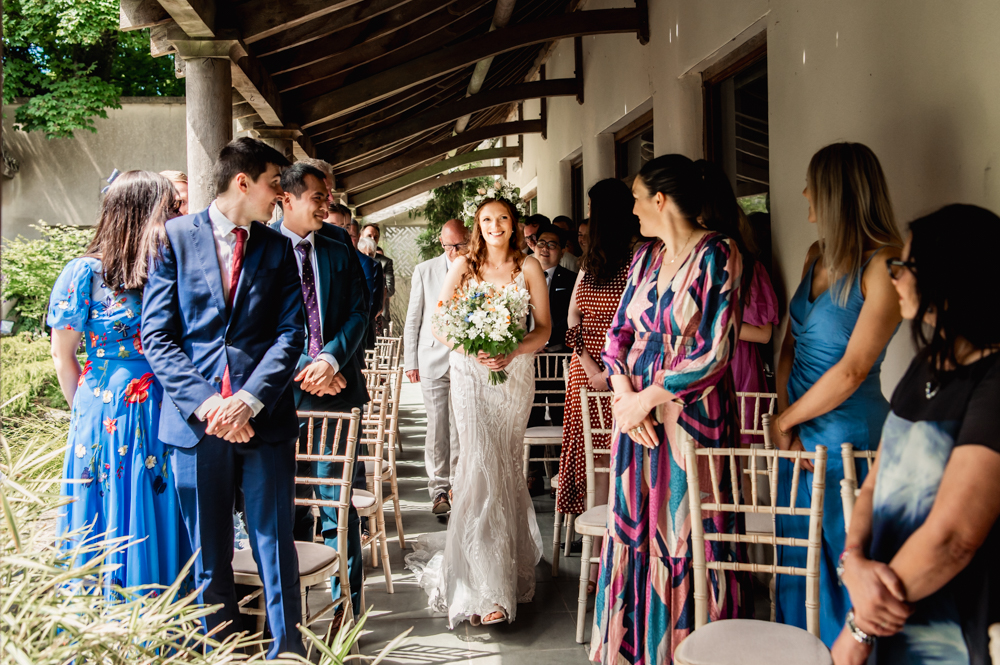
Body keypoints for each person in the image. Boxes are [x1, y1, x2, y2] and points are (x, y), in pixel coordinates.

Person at [141, 137, 306, 658]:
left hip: (264, 421)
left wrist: (249, 400)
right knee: (209, 555)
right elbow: (159, 336)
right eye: (275, 184)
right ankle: (223, 652)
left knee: (275, 549)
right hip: (197, 426)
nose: (280, 195)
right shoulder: (172, 237)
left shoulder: (278, 248)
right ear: (243, 182)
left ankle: (289, 654)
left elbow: (290, 334)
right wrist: (212, 404)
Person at [591, 155, 752, 664]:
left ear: (660, 200)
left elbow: (714, 351)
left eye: (638, 198)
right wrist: (623, 398)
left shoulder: (719, 254)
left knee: (684, 536)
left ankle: (687, 653)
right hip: (635, 425)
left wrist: (646, 399)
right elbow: (616, 336)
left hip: (689, 424)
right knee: (634, 530)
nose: (633, 209)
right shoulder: (645, 257)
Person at [830, 205, 1000, 665]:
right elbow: (875, 481)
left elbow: (954, 538)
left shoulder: (994, 382)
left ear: (951, 278)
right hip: (890, 610)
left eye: (905, 267)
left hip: (952, 627)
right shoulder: (926, 367)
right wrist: (855, 562)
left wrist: (861, 626)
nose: (896, 278)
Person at [771, 142, 904, 647]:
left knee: (845, 560)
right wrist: (787, 422)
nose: (804, 193)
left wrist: (786, 424)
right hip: (799, 434)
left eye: (812, 184)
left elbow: (852, 370)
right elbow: (789, 348)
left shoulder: (884, 265)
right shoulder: (814, 255)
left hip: (849, 436)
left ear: (836, 193)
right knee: (798, 564)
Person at [411, 198, 550, 627]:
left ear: (514, 224)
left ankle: (505, 567)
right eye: (486, 219)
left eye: (502, 218)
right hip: (469, 375)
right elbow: (438, 324)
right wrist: (474, 345)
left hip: (513, 376)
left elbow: (543, 329)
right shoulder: (463, 267)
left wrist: (511, 349)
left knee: (505, 466)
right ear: (478, 225)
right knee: (477, 464)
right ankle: (482, 588)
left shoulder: (528, 267)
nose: (494, 226)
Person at [49, 170, 184, 594]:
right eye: (168, 208)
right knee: (108, 509)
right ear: (140, 212)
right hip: (103, 413)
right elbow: (62, 354)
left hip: (162, 407)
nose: (175, 216)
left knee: (160, 502)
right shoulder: (83, 273)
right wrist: (87, 413)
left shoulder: (165, 266)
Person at [271, 162, 370, 628]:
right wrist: (301, 371)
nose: (327, 203)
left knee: (338, 504)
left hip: (335, 392)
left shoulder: (337, 245)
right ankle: (288, 609)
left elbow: (359, 309)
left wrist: (329, 360)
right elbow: (253, 328)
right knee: (284, 505)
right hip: (280, 401)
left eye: (328, 195)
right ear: (286, 198)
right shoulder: (260, 247)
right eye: (318, 196)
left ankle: (346, 609)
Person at [556, 178, 637, 577]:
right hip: (587, 370)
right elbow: (572, 319)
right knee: (596, 459)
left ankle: (616, 552)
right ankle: (599, 558)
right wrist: (591, 366)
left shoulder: (638, 258)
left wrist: (612, 369)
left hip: (625, 373)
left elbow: (638, 323)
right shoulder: (592, 261)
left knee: (617, 457)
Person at [696, 164, 779, 443]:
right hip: (694, 365)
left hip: (736, 364)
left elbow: (764, 332)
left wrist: (708, 324)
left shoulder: (746, 264)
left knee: (738, 462)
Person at [404, 219, 467, 515]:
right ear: (441, 243)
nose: (454, 251)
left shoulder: (475, 268)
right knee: (437, 427)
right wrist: (411, 361)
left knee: (461, 427)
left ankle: (457, 485)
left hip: (466, 361)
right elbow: (413, 319)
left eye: (460, 245)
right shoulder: (425, 270)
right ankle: (438, 489)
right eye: (448, 245)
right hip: (432, 360)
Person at [524, 222, 578, 495]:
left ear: (562, 250)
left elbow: (570, 319)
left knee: (559, 415)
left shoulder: (570, 279)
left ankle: (559, 472)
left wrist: (545, 341)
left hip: (558, 358)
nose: (545, 249)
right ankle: (532, 474)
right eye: (541, 243)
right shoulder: (521, 276)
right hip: (527, 358)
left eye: (552, 245)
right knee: (530, 413)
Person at [362, 223, 395, 332]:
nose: (372, 239)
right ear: (361, 237)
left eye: (375, 237)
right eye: (369, 236)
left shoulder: (385, 262)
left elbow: (390, 289)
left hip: (379, 315)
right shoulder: (353, 257)